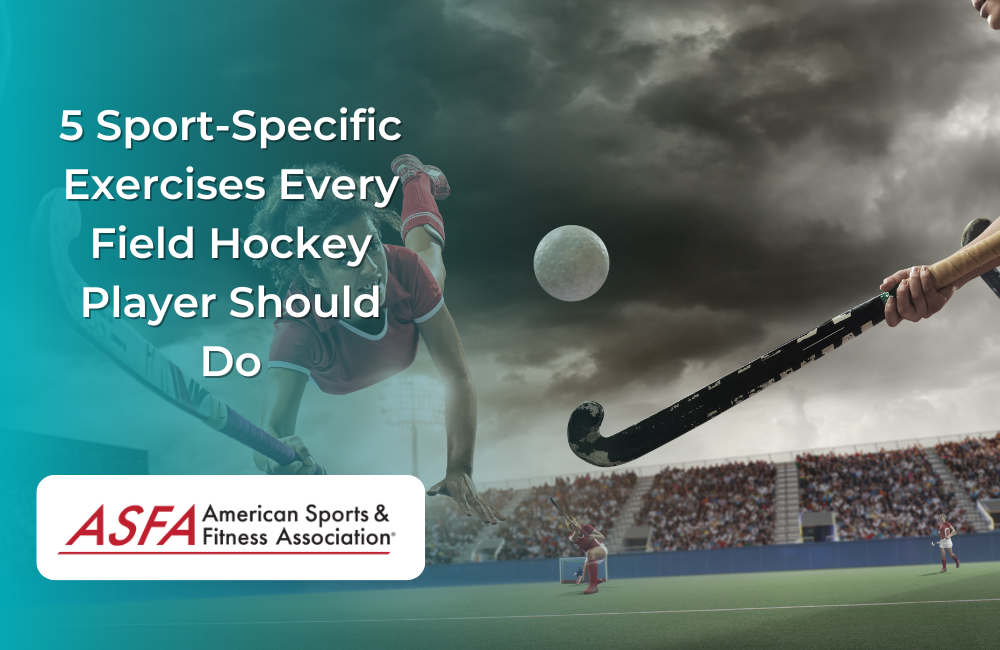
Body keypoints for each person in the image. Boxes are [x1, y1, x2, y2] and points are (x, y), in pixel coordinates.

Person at [249, 155, 504, 525]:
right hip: (354, 354)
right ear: (311, 274)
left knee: (429, 258)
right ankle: (416, 182)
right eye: (343, 259)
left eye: (370, 245)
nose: (371, 269)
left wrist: (459, 466)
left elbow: (458, 377)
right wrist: (274, 455)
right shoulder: (297, 327)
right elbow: (269, 433)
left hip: (409, 316)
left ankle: (416, 180)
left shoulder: (404, 272)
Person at [568, 517, 607, 594]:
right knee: (585, 579)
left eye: (573, 523)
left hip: (600, 549)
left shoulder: (587, 527)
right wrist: (576, 531)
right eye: (570, 525)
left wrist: (594, 536)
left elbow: (603, 537)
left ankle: (593, 586)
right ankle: (595, 580)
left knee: (590, 552)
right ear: (570, 529)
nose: (572, 525)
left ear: (578, 523)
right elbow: (575, 539)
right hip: (589, 556)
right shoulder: (571, 537)